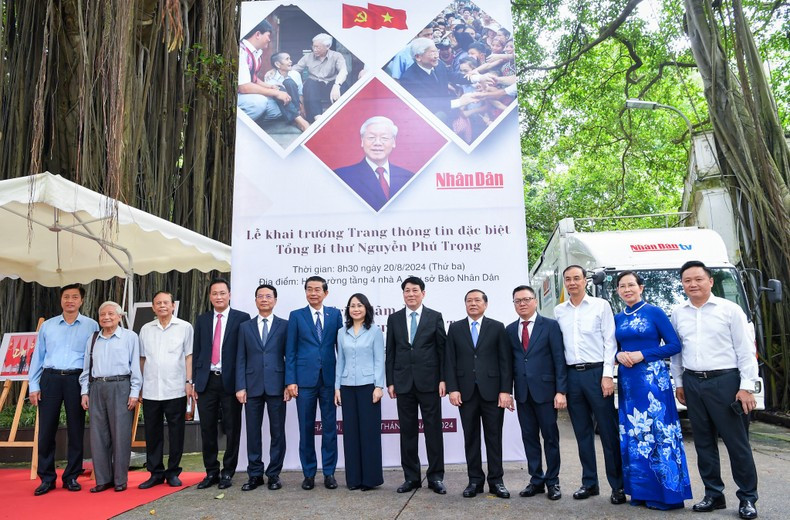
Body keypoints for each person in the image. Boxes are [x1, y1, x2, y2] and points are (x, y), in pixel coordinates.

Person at [670, 261, 760, 519]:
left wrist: (746, 388)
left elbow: (746, 352)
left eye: (698, 279)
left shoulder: (730, 310)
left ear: (710, 281)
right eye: (687, 280)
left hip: (726, 382)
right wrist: (679, 383)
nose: (693, 284)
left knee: (737, 443)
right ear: (683, 284)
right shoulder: (679, 313)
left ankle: (747, 499)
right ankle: (713, 494)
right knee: (703, 442)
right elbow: (677, 353)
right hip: (693, 382)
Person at [613, 271, 692, 509]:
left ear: (641, 287)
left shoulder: (654, 312)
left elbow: (674, 345)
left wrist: (643, 355)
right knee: (635, 435)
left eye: (631, 285)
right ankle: (641, 492)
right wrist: (617, 355)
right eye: (622, 286)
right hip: (628, 381)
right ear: (618, 290)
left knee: (658, 431)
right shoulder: (617, 318)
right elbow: (612, 347)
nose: (627, 289)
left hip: (652, 381)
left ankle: (667, 494)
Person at [554, 265, 625, 504]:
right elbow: (559, 350)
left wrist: (608, 375)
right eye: (568, 279)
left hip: (597, 374)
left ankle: (618, 486)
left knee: (607, 432)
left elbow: (610, 341)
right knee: (582, 433)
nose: (572, 282)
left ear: (585, 280)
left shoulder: (600, 306)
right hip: (572, 376)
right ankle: (589, 483)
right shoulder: (559, 311)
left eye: (577, 278)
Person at [28, 283, 99, 496]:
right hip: (50, 378)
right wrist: (34, 385)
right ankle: (47, 478)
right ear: (61, 300)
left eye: (74, 297)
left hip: (76, 379)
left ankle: (71, 476)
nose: (70, 300)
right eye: (66, 296)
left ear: (81, 300)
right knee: (46, 430)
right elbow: (37, 357)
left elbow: (94, 358)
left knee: (76, 429)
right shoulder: (48, 326)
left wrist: (88, 387)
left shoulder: (92, 325)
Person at [445, 289, 512, 499]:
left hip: (493, 392)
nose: (473, 304)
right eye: (469, 301)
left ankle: (496, 481)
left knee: (494, 438)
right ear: (465, 304)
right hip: (466, 393)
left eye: (477, 300)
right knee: (471, 437)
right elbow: (450, 361)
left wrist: (505, 391)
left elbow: (505, 362)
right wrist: (452, 388)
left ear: (485, 304)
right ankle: (474, 480)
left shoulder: (497, 327)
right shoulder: (455, 328)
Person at [386, 276, 447, 495]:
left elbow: (442, 350)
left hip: (429, 382)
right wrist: (390, 381)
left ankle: (436, 477)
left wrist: (443, 379)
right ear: (403, 294)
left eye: (414, 290)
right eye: (406, 291)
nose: (410, 294)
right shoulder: (394, 319)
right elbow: (391, 352)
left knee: (433, 430)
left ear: (423, 293)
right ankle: (411, 477)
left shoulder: (434, 317)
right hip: (403, 383)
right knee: (408, 432)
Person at [506, 285, 567, 501]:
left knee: (550, 438)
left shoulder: (550, 326)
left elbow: (559, 359)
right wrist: (507, 392)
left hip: (546, 392)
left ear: (535, 301)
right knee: (529, 438)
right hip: (523, 394)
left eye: (526, 299)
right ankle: (536, 480)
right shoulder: (510, 329)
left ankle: (553, 481)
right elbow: (508, 364)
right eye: (517, 301)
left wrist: (561, 391)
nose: (522, 303)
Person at [285, 276, 344, 491]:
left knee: (330, 429)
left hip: (329, 381)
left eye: (317, 289)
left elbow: (341, 348)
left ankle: (329, 473)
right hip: (304, 382)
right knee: (306, 428)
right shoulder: (296, 316)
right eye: (309, 289)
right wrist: (290, 380)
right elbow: (290, 351)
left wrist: (340, 381)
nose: (313, 293)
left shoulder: (335, 315)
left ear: (325, 293)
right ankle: (308, 473)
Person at [192, 278, 251, 490]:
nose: (218, 296)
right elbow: (197, 351)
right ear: (209, 296)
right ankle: (211, 472)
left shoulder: (242, 319)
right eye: (214, 293)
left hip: (230, 382)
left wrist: (242, 383)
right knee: (207, 429)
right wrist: (193, 381)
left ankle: (228, 472)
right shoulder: (202, 320)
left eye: (222, 293)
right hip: (206, 381)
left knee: (232, 428)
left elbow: (245, 353)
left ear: (230, 295)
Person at [78, 301, 142, 493]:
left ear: (119, 316)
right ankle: (103, 479)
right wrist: (84, 391)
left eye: (111, 314)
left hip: (120, 385)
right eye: (102, 314)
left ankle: (120, 479)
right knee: (98, 435)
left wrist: (134, 392)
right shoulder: (93, 338)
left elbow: (136, 367)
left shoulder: (130, 337)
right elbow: (86, 368)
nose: (106, 317)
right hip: (97, 386)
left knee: (120, 434)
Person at [138, 291, 194, 489]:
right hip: (152, 389)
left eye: (166, 303)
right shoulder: (145, 329)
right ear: (153, 307)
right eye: (158, 303)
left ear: (173, 306)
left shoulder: (185, 327)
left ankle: (173, 472)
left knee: (176, 432)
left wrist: (189, 382)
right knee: (152, 433)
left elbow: (189, 356)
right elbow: (142, 359)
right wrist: (140, 386)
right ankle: (155, 473)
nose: (162, 306)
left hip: (176, 388)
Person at [236, 284, 289, 491]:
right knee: (253, 432)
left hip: (277, 386)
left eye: (268, 296)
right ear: (255, 300)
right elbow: (240, 358)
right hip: (252, 386)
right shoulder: (245, 327)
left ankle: (274, 474)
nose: (264, 299)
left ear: (275, 300)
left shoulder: (284, 326)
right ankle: (255, 474)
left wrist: (288, 383)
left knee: (277, 432)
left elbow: (289, 356)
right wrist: (240, 386)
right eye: (260, 296)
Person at [334, 293, 385, 491]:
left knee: (369, 433)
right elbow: (340, 361)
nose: (356, 309)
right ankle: (354, 479)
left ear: (366, 309)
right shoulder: (341, 332)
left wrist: (378, 386)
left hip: (368, 387)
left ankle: (370, 480)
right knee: (351, 433)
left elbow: (379, 359)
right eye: (352, 305)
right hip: (347, 387)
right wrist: (337, 387)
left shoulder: (374, 331)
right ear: (348, 310)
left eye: (359, 305)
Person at [334, 116, 414, 212]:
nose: (377, 143)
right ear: (362, 141)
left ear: (394, 142)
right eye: (371, 137)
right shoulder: (342, 177)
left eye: (384, 138)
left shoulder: (409, 178)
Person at [398, 38, 478, 125]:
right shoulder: (409, 79)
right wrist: (459, 102)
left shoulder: (439, 64)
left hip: (449, 113)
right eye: (432, 53)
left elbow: (454, 76)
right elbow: (427, 104)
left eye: (436, 51)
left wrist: (478, 78)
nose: (436, 56)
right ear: (418, 57)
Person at [237, 19, 293, 124]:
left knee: (276, 109)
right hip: (234, 96)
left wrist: (269, 87)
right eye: (268, 36)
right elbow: (244, 87)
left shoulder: (257, 53)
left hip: (244, 95)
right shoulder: (241, 51)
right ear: (258, 34)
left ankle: (253, 122)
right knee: (259, 103)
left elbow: (253, 79)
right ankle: (235, 128)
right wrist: (275, 93)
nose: (269, 40)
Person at [292, 33, 348, 123]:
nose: (315, 49)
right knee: (310, 83)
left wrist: (337, 85)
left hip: (331, 87)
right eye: (314, 46)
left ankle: (341, 116)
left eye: (318, 47)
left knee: (343, 85)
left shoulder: (336, 56)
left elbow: (343, 71)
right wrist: (275, 71)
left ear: (328, 46)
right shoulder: (308, 57)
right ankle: (317, 117)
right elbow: (294, 69)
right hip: (314, 89)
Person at [263, 52, 310, 132]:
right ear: (278, 64)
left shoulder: (295, 74)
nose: (290, 61)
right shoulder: (269, 77)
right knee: (279, 88)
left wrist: (302, 108)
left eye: (290, 58)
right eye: (287, 59)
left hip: (294, 109)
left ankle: (297, 119)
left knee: (289, 82)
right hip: (278, 110)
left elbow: (300, 94)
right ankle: (299, 120)